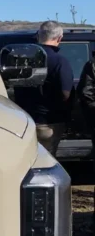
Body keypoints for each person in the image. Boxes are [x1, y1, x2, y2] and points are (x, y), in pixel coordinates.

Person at [14, 21, 74, 156]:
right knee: (45, 162)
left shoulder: (23, 60)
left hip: (23, 121)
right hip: (49, 122)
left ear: (38, 36)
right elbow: (65, 93)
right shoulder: (60, 61)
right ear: (59, 38)